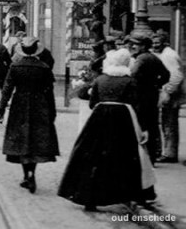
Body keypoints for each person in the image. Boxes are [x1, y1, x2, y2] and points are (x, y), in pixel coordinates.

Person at [58, 48, 156, 210]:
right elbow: (137, 105)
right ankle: (135, 195)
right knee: (128, 156)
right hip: (124, 118)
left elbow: (92, 103)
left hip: (99, 118)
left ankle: (89, 197)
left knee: (93, 156)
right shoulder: (130, 81)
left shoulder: (100, 80)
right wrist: (143, 128)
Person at [0, 36, 60, 194]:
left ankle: (27, 175)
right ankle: (32, 173)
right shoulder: (44, 68)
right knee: (35, 142)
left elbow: (7, 89)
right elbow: (50, 92)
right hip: (40, 106)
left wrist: (1, 109)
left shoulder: (15, 66)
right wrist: (52, 112)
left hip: (20, 106)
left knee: (22, 141)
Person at [127, 31, 170, 163]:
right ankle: (152, 155)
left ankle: (141, 156)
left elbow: (133, 76)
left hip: (140, 97)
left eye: (136, 45)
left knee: (140, 124)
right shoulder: (153, 58)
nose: (132, 47)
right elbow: (166, 75)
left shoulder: (142, 59)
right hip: (151, 96)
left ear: (143, 46)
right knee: (152, 125)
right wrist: (155, 85)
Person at [151, 31, 184, 164]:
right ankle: (168, 151)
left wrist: (168, 91)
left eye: (157, 43)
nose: (155, 45)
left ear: (165, 42)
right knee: (167, 122)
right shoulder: (166, 54)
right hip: (171, 92)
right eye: (153, 43)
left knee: (169, 123)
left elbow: (177, 76)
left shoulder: (169, 55)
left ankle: (170, 153)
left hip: (172, 94)